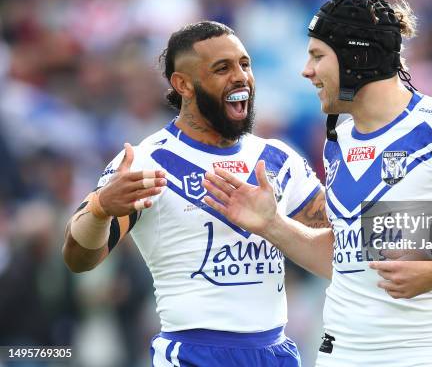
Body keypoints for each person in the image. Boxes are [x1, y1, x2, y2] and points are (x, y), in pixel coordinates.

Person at [202, 0, 432, 366]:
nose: (307, 70)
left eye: (318, 56)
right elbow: (345, 257)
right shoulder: (338, 140)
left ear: (357, 58)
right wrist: (272, 225)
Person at [62, 21, 330, 367]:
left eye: (244, 64)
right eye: (222, 68)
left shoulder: (278, 159)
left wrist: (275, 225)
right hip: (193, 353)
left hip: (275, 353)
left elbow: (341, 253)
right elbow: (77, 258)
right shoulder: (147, 161)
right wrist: (100, 209)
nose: (240, 77)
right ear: (183, 84)